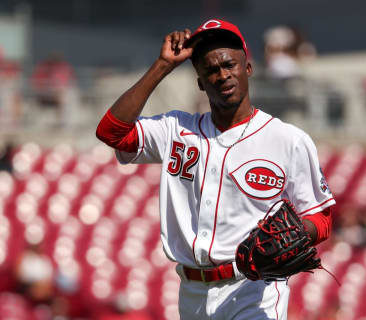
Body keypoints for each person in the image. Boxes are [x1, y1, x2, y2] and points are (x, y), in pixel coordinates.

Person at [96, 19, 335, 319]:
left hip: (253, 290)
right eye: (211, 70)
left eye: (229, 65)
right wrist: (162, 66)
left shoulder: (288, 140)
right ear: (200, 82)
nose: (222, 75)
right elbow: (111, 132)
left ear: (247, 68)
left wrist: (294, 234)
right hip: (192, 293)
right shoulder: (176, 130)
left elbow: (322, 218)